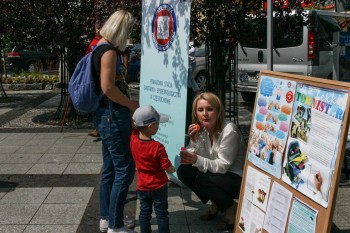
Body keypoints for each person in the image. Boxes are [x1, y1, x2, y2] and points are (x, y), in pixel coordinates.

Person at [92, 10, 139, 233]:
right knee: (125, 170)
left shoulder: (98, 46)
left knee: (110, 168)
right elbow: (108, 88)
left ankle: (107, 217)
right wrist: (130, 105)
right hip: (113, 116)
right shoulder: (108, 51)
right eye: (128, 29)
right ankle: (115, 225)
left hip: (104, 116)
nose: (129, 34)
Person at [177, 92, 246, 230]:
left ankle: (231, 208)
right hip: (217, 174)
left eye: (209, 109)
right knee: (184, 171)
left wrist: (196, 159)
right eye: (200, 110)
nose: (205, 114)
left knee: (203, 180)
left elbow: (222, 166)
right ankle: (217, 202)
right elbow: (198, 155)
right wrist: (194, 141)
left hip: (237, 178)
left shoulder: (229, 130)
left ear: (218, 111)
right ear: (195, 113)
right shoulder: (201, 129)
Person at [130, 105, 176, 233]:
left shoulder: (133, 139)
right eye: (157, 124)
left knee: (144, 213)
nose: (158, 126)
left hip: (142, 186)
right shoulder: (157, 147)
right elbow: (168, 168)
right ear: (150, 127)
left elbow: (134, 128)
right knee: (161, 214)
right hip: (158, 186)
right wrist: (176, 167)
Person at [87, 20, 103, 138]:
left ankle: (100, 128)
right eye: (97, 28)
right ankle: (97, 127)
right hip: (94, 77)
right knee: (96, 103)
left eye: (100, 28)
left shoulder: (105, 42)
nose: (98, 30)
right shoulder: (93, 41)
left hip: (102, 77)